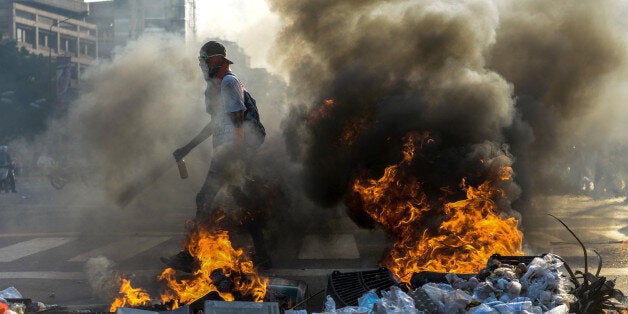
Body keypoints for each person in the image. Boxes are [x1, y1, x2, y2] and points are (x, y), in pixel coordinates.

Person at [161, 41, 270, 271]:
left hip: (230, 153)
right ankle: (262, 254)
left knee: (207, 199)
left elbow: (239, 119)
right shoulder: (215, 87)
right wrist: (187, 148)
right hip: (224, 151)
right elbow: (215, 124)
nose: (201, 65)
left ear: (214, 60)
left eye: (203, 60)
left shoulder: (229, 83)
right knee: (239, 202)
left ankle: (192, 256)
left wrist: (236, 156)